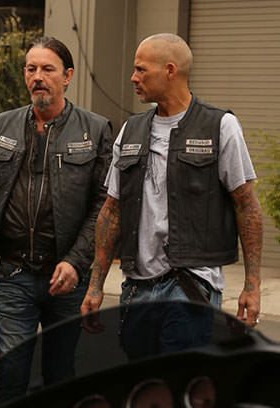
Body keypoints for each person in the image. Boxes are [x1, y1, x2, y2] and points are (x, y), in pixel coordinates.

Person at [81, 33, 263, 340]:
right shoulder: (130, 130)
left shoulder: (220, 126)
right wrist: (96, 285)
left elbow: (246, 205)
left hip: (190, 286)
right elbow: (112, 211)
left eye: (141, 69)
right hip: (137, 290)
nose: (133, 77)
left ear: (169, 71)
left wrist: (252, 285)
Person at [0, 36, 112, 401]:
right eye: (31, 69)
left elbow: (104, 207)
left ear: (68, 76)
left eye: (48, 69)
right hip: (14, 273)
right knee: (12, 371)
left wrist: (77, 261)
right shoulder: (2, 125)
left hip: (68, 280)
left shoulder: (95, 130)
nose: (38, 77)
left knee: (59, 375)